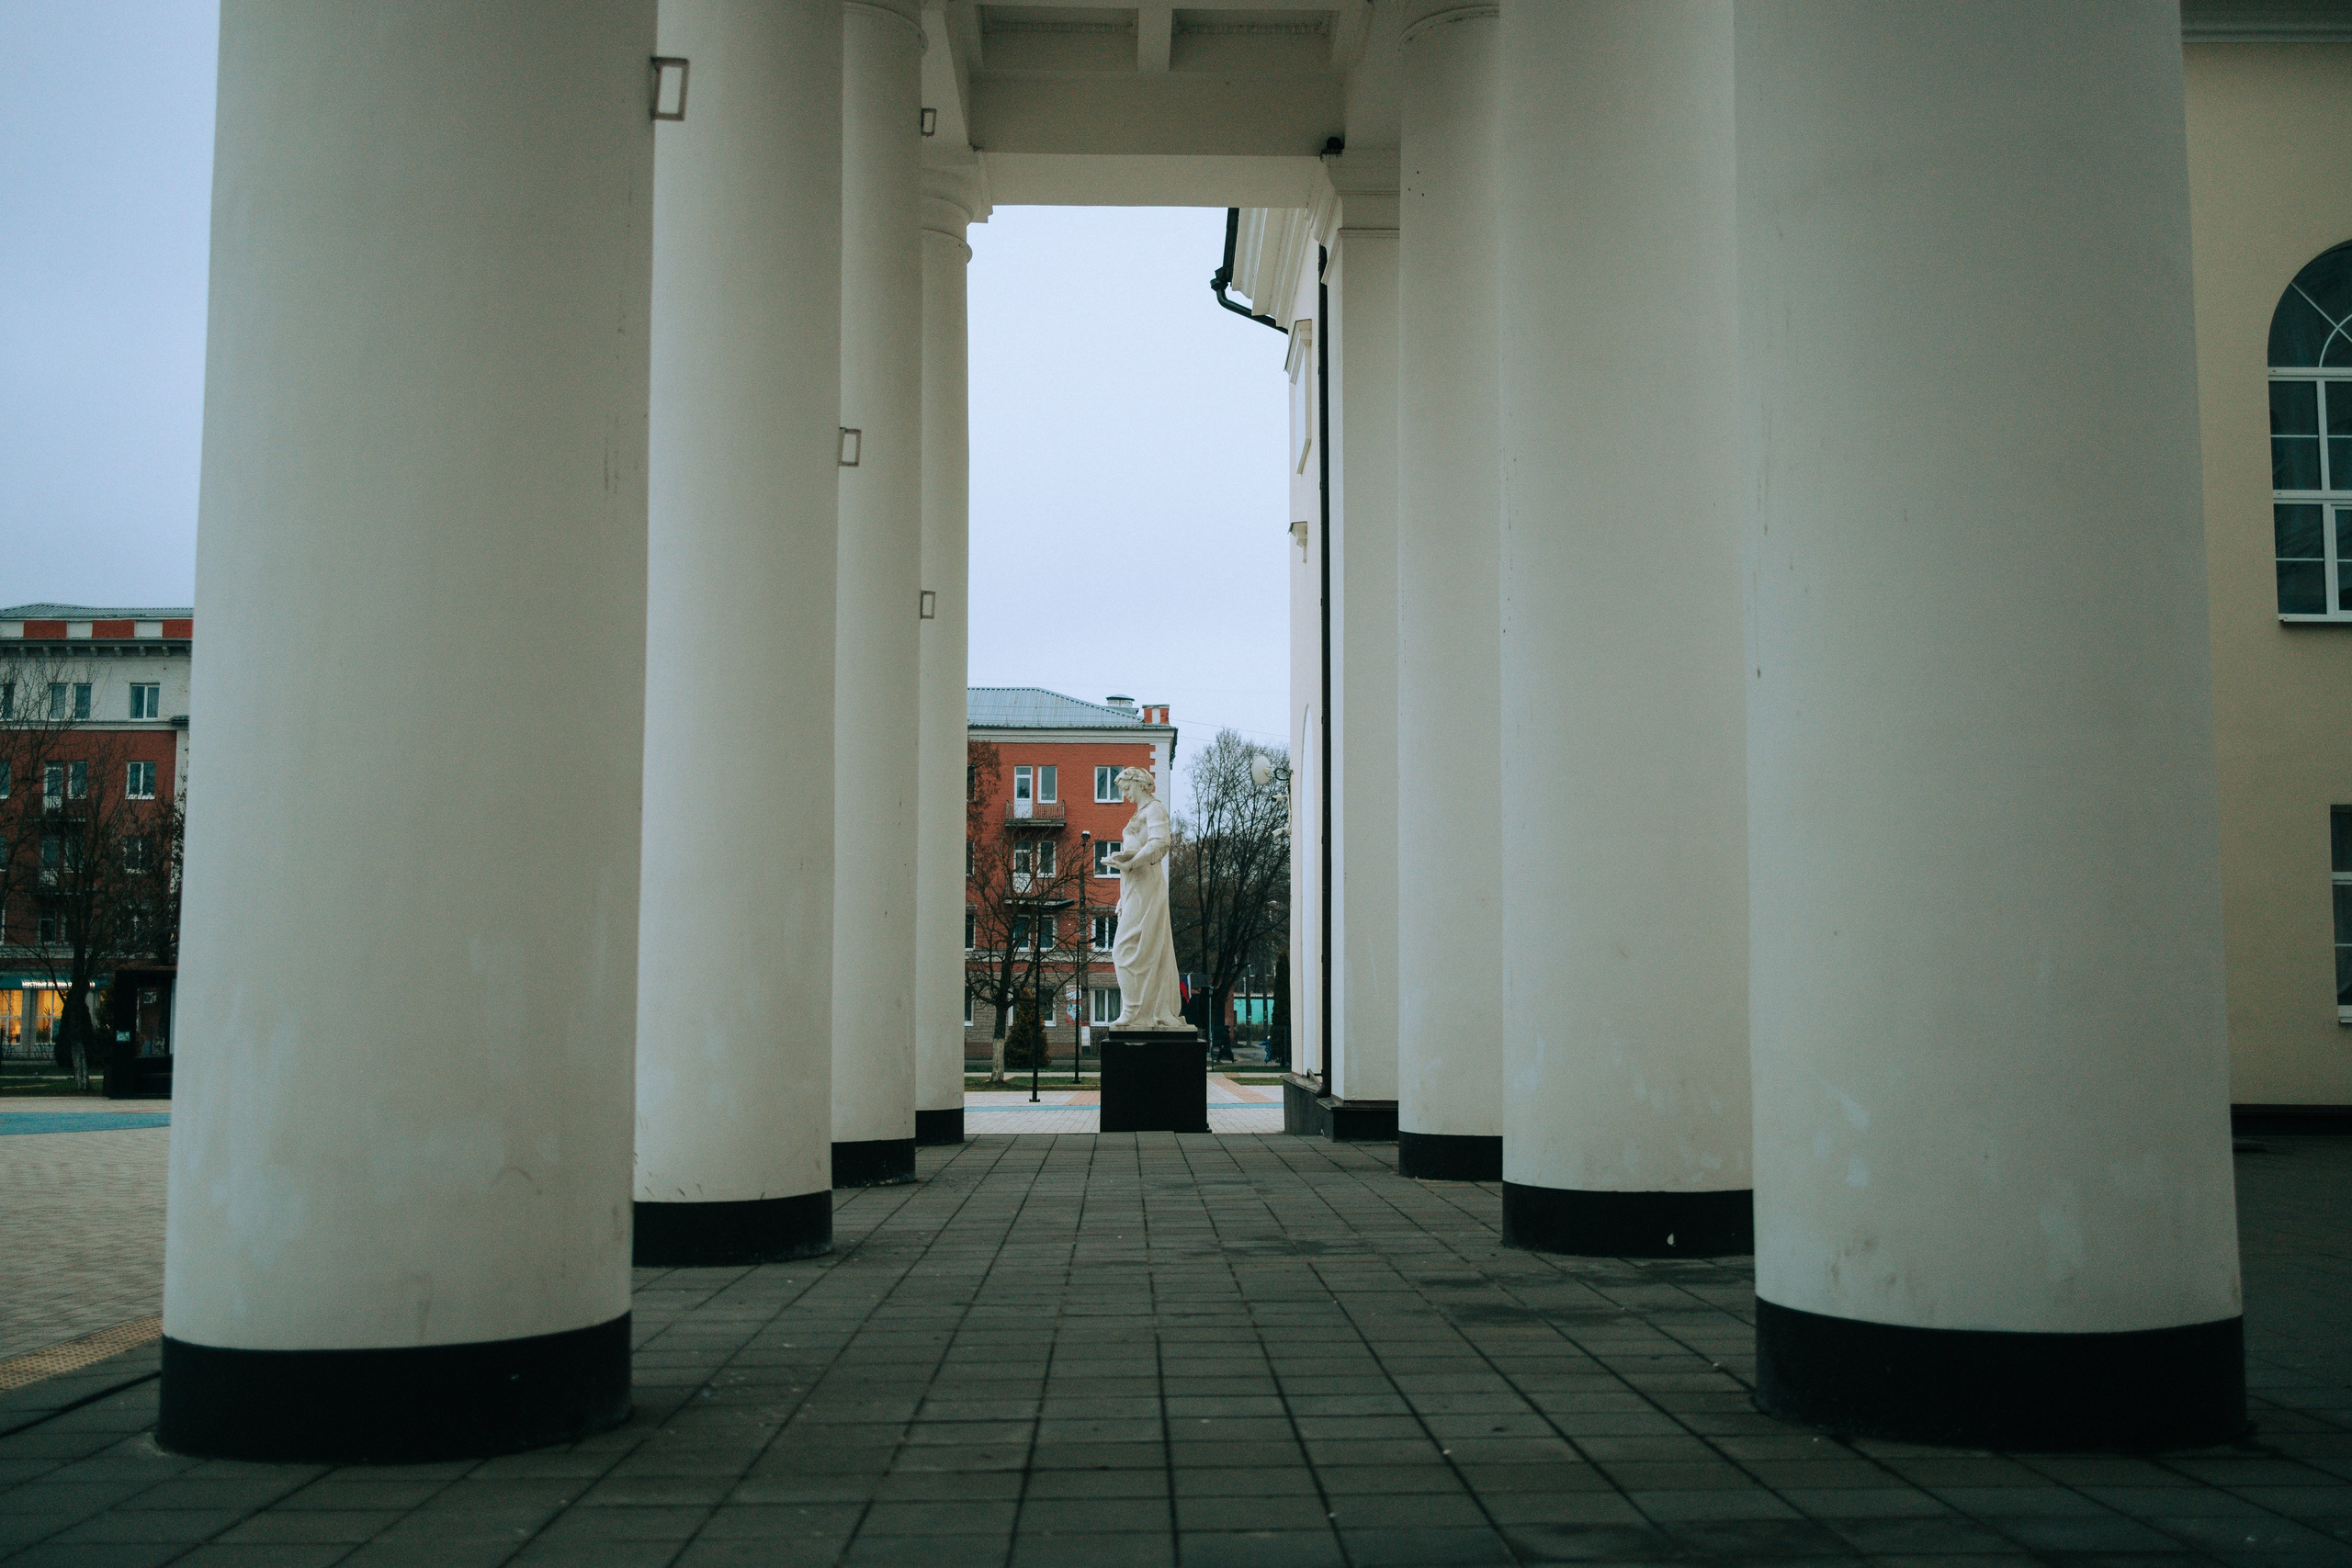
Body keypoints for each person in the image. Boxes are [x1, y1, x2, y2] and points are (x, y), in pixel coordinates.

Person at [1106, 765, 1188, 1031]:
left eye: (1127, 788)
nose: (1125, 795)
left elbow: (1160, 842)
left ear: (1140, 784)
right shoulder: (1138, 812)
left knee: (1127, 948)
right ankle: (1136, 1011)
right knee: (1134, 948)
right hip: (1133, 887)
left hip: (1147, 885)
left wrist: (1131, 864)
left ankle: (1134, 1012)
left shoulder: (1154, 808)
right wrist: (1123, 895)